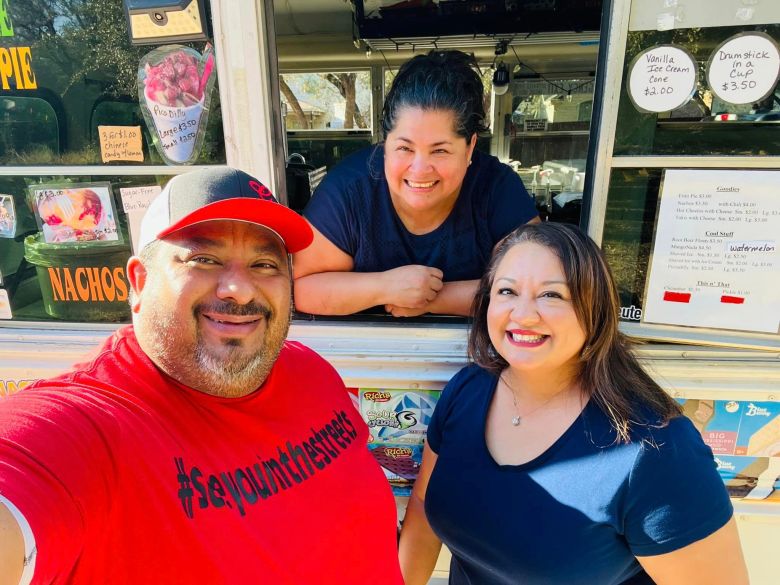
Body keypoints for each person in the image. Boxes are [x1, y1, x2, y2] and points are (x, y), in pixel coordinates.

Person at [0, 167, 404, 585]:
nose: (240, 289)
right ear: (139, 282)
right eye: (204, 259)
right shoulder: (87, 425)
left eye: (265, 264)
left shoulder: (310, 369)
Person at [398, 222, 748, 585]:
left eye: (552, 295)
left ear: (594, 309)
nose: (523, 314)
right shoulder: (466, 391)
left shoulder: (656, 449)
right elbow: (424, 510)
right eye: (507, 291)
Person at [293, 50, 539, 318]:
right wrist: (384, 287)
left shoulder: (497, 188)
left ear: (470, 149)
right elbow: (304, 290)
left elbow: (535, 290)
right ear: (384, 143)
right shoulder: (349, 190)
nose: (420, 170)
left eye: (440, 151)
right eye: (404, 148)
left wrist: (430, 299)